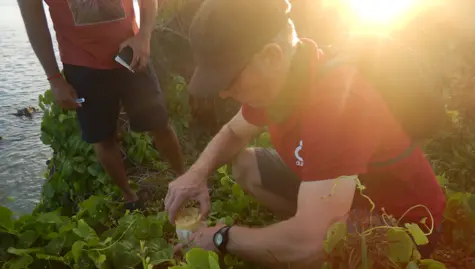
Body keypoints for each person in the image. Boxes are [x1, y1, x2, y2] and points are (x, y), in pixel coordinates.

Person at [164, 0, 446, 267]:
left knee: (319, 247)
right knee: (246, 165)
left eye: (231, 79)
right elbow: (233, 132)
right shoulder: (283, 82)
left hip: (398, 221)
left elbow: (314, 245)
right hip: (340, 193)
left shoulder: (335, 105)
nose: (224, 92)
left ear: (271, 56)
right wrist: (196, 173)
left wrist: (221, 237)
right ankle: (308, 221)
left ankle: (304, 228)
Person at [18, 0, 185, 210]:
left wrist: (144, 36)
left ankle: (185, 180)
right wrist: (54, 78)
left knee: (159, 123)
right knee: (102, 137)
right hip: (82, 66)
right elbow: (34, 22)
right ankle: (130, 198)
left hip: (130, 52)